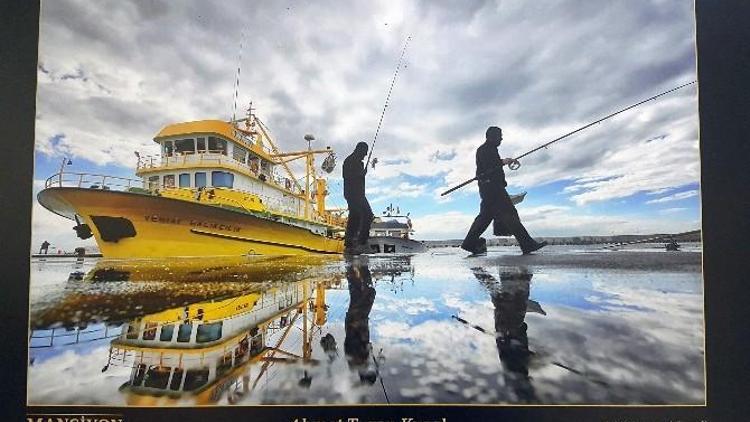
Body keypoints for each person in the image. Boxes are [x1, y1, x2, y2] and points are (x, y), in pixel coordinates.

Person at [461, 126, 547, 255]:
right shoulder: (485, 150)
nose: (501, 138)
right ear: (492, 137)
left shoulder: (487, 150)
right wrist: (504, 161)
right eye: (499, 136)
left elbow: (492, 163)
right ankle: (527, 244)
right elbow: (491, 165)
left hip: (488, 189)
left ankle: (469, 243)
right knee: (510, 213)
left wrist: (506, 161)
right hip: (493, 188)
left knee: (484, 217)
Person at [343, 142, 374, 255]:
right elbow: (349, 176)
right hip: (354, 194)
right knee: (366, 215)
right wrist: (362, 174)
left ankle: (350, 245)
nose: (365, 155)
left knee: (355, 217)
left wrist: (362, 173)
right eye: (364, 153)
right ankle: (361, 243)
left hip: (356, 194)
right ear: (359, 150)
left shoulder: (355, 162)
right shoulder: (350, 161)